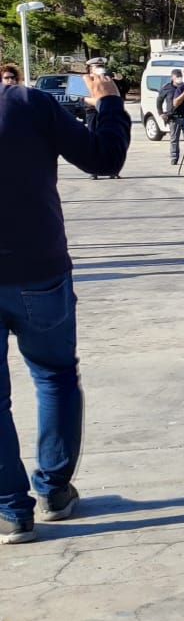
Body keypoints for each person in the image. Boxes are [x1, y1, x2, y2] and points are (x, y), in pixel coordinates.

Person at [0, 64, 129, 542]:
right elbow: (103, 159)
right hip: (39, 269)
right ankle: (53, 490)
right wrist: (109, 104)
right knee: (53, 376)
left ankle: (13, 510)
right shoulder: (27, 103)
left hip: (37, 268)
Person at [158, 67, 184, 165]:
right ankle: (174, 157)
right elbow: (159, 101)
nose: (179, 78)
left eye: (180, 76)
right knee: (174, 139)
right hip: (173, 117)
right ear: (172, 77)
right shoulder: (167, 88)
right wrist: (161, 113)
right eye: (177, 76)